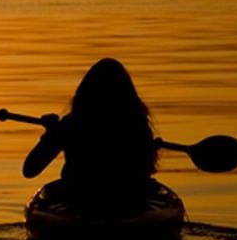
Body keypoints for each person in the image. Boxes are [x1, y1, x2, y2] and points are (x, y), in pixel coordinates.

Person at [22, 58, 158, 211]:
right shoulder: (136, 123)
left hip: (79, 199)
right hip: (128, 200)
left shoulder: (71, 125)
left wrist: (51, 135)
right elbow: (146, 169)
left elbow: (30, 169)